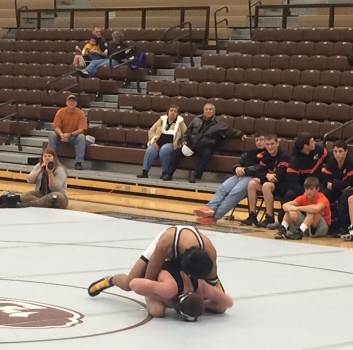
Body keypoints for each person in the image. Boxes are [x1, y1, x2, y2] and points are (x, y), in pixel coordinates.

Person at [88, 224, 232, 318]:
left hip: (189, 259)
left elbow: (215, 288)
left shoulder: (210, 252)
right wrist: (171, 301)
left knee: (219, 307)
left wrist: (197, 303)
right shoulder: (165, 244)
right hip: (164, 248)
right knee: (128, 284)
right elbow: (148, 281)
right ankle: (110, 280)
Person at [197, 136, 271, 224]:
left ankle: (213, 217)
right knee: (223, 188)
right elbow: (239, 162)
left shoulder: (269, 154)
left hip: (254, 178)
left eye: (261, 140)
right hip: (240, 175)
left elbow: (261, 168)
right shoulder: (250, 152)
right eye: (257, 140)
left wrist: (246, 170)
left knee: (235, 192)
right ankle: (209, 208)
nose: (259, 142)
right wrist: (236, 168)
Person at [178, 102, 238, 183]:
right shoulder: (196, 119)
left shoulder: (219, 123)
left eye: (210, 109)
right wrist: (184, 140)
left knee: (207, 154)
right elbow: (187, 132)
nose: (208, 111)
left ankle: (195, 173)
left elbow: (229, 131)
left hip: (206, 146)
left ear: (214, 112)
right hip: (192, 144)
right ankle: (168, 173)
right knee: (176, 152)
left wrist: (240, 134)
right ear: (203, 111)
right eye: (206, 109)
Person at [139, 104, 186, 179]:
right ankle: (145, 172)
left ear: (177, 114)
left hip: (171, 144)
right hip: (158, 142)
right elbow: (151, 131)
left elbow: (185, 133)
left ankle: (165, 172)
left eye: (175, 111)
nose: (173, 112)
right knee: (150, 150)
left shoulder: (180, 122)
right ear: (167, 112)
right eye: (171, 110)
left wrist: (182, 142)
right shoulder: (162, 120)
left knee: (164, 149)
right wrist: (153, 141)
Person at [279, 176, 332, 240]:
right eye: (307, 189)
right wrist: (291, 210)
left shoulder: (323, 198)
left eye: (311, 189)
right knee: (290, 209)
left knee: (312, 212)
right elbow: (285, 205)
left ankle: (300, 232)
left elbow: (316, 208)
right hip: (307, 226)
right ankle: (283, 228)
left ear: (317, 189)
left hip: (322, 227)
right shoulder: (304, 197)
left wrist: (297, 208)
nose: (309, 192)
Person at [51, 94, 91, 168]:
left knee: (81, 137)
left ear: (76, 103)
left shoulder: (80, 113)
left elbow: (81, 129)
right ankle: (50, 161)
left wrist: (70, 134)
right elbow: (56, 127)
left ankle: (79, 162)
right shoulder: (61, 112)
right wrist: (61, 135)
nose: (71, 103)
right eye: (70, 101)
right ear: (66, 103)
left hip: (73, 136)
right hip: (61, 136)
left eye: (73, 101)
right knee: (52, 135)